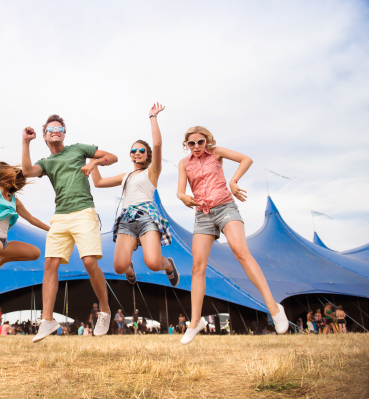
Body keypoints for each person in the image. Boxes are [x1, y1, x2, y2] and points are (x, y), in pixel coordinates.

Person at [176, 126, 289, 344]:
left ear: (206, 141)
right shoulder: (184, 164)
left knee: (241, 251)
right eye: (192, 143)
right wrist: (183, 198)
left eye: (200, 142)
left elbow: (246, 159)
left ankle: (274, 308)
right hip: (202, 215)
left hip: (225, 207)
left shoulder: (216, 153)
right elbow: (180, 190)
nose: (197, 146)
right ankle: (195, 322)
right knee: (197, 266)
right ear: (186, 145)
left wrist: (234, 181)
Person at [21, 115, 118, 342]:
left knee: (89, 262)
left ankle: (105, 310)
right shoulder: (46, 162)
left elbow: (112, 157)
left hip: (84, 211)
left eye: (60, 128)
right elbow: (26, 171)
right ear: (44, 136)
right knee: (50, 262)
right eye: (51, 129)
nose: (56, 131)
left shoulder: (78, 149)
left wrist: (94, 162)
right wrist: (25, 142)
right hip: (60, 215)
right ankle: (47, 320)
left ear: (64, 134)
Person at [90, 103, 179, 287]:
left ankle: (168, 265)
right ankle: (130, 268)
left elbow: (157, 143)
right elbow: (98, 183)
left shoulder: (152, 172)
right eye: (133, 151)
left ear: (147, 156)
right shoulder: (125, 176)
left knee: (153, 263)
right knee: (119, 267)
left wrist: (153, 117)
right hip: (126, 219)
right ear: (130, 155)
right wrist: (93, 161)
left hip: (146, 216)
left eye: (141, 151)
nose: (137, 153)